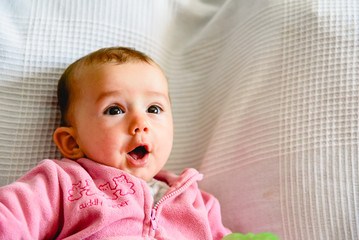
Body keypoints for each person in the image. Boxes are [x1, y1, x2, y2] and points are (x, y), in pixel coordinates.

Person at [0, 47, 231, 239]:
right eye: (114, 110)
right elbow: (8, 218)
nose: (141, 123)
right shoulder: (63, 185)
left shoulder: (196, 202)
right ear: (72, 142)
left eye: (153, 109)